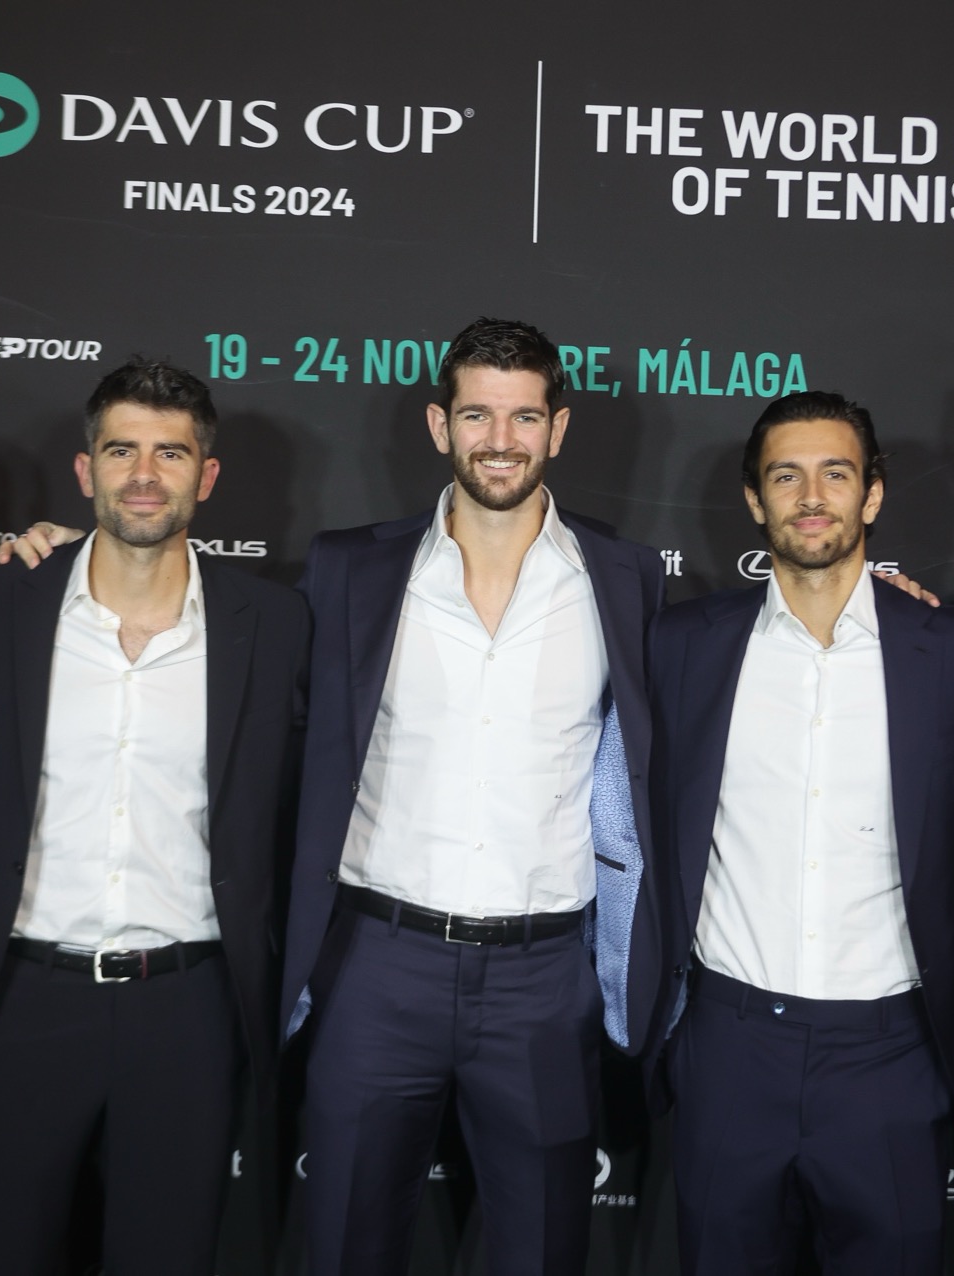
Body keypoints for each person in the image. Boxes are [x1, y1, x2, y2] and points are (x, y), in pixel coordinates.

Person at [276, 317, 664, 1275]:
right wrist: (72, 552)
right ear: (437, 424)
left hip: (544, 980)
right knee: (344, 1246)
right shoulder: (350, 569)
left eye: (524, 416)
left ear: (558, 429)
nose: (500, 439)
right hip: (376, 967)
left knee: (540, 1252)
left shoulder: (623, 579)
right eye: (477, 415)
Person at [0, 358, 309, 1275]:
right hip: (21, 999)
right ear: (84, 469)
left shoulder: (276, 625)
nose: (144, 474)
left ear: (206, 476)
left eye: (169, 453)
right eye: (121, 451)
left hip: (188, 1008)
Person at [647, 391, 954, 1275]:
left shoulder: (951, 650)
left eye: (835, 474)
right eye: (785, 476)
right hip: (729, 1047)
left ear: (870, 495)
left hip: (891, 1055)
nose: (810, 496)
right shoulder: (682, 644)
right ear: (753, 499)